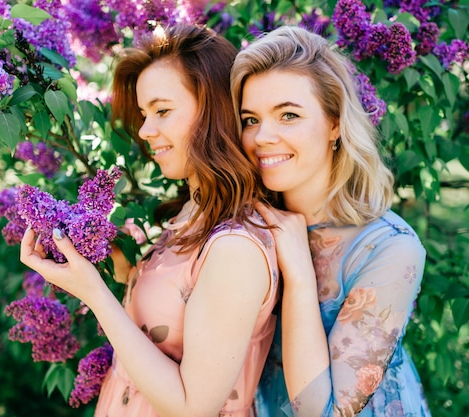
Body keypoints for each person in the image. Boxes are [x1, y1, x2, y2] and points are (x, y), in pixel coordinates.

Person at [21, 24, 279, 417]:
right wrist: (127, 274)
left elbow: (194, 406)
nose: (144, 130)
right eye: (144, 114)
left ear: (215, 109)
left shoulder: (235, 248)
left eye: (162, 110)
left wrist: (93, 291)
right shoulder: (190, 215)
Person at [230, 26, 431, 417]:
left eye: (288, 115)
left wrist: (300, 274)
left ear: (334, 123)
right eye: (250, 119)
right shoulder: (244, 225)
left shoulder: (390, 249)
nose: (262, 137)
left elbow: (323, 413)